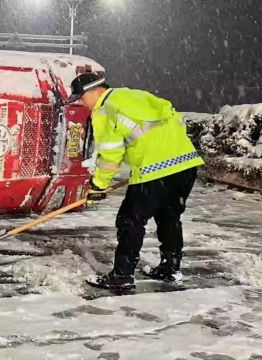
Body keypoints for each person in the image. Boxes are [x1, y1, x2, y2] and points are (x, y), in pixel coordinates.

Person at [67, 73, 205, 290]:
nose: (80, 103)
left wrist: (98, 186)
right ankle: (171, 268)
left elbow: (111, 155)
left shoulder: (104, 109)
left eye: (80, 98)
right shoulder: (133, 95)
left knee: (130, 220)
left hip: (154, 169)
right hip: (186, 164)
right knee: (169, 217)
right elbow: (169, 116)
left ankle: (122, 276)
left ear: (94, 91)